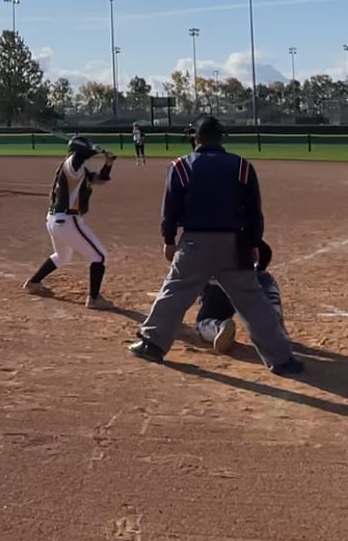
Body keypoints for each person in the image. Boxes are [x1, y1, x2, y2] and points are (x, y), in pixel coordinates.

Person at [130, 117, 301, 375]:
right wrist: (254, 242)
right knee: (252, 300)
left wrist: (168, 239)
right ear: (220, 138)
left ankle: (152, 345)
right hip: (235, 243)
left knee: (175, 292)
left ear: (195, 138)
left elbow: (170, 209)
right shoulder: (242, 166)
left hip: (195, 243)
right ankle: (281, 358)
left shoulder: (180, 166)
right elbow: (254, 212)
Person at [25, 136, 116, 309]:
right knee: (100, 256)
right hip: (68, 220)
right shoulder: (72, 164)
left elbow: (101, 179)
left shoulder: (80, 170)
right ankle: (94, 299)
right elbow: (81, 155)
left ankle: (34, 282)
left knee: (63, 256)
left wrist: (108, 163)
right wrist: (95, 150)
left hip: (57, 220)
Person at [189, 240, 284, 355]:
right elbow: (264, 252)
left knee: (202, 323)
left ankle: (218, 327)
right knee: (265, 282)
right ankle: (273, 327)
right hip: (253, 272)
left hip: (220, 279)